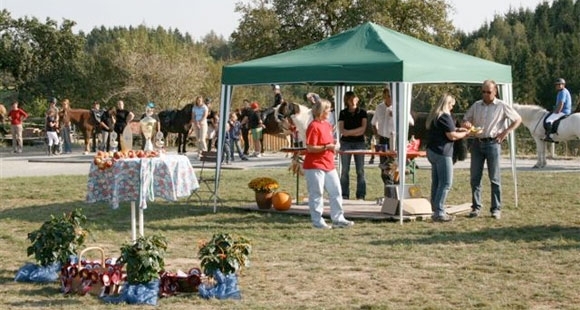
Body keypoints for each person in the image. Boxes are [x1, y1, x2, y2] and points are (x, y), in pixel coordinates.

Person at [462, 80, 522, 220]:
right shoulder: (477, 105)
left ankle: (496, 208)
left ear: (495, 92)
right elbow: (466, 119)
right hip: (477, 142)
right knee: (475, 177)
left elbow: (517, 119)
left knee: (494, 178)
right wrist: (467, 124)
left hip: (493, 143)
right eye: (483, 92)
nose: (486, 95)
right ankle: (476, 207)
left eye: (488, 92)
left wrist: (505, 132)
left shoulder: (501, 105)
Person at [303, 98, 354, 229]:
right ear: (321, 111)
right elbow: (310, 148)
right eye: (328, 109)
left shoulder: (327, 125)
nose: (330, 111)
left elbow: (329, 142)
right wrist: (327, 147)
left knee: (336, 190)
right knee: (317, 193)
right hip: (314, 165)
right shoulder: (313, 126)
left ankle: (338, 218)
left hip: (329, 163)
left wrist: (333, 146)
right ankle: (317, 220)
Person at [426, 94, 470, 222]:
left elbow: (447, 129)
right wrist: (465, 133)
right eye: (451, 104)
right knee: (446, 183)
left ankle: (434, 208)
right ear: (447, 103)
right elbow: (452, 136)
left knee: (437, 182)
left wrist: (458, 128)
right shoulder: (445, 116)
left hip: (432, 151)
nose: (452, 107)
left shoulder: (436, 116)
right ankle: (439, 212)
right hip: (442, 152)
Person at [370, 87, 415, 186]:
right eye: (387, 96)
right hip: (383, 140)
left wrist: (398, 115)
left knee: (395, 168)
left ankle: (396, 192)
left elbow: (411, 122)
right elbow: (373, 123)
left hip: (396, 141)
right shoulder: (379, 107)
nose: (389, 98)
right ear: (384, 96)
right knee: (384, 168)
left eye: (391, 96)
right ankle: (389, 193)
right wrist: (377, 135)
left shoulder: (400, 107)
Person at [338, 91, 367, 200]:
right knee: (345, 170)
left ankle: (361, 194)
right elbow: (342, 130)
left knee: (360, 170)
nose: (354, 100)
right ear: (347, 100)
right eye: (351, 98)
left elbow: (363, 129)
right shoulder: (343, 113)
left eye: (355, 98)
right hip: (345, 143)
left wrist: (349, 132)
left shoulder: (362, 112)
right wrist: (353, 132)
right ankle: (344, 194)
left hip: (359, 143)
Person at [544, 78, 572, 142]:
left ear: (563, 85)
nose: (559, 86)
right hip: (565, 110)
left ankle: (549, 136)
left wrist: (557, 111)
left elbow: (561, 103)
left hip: (563, 111)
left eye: (560, 84)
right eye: (557, 85)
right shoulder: (563, 91)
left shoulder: (562, 92)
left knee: (549, 120)